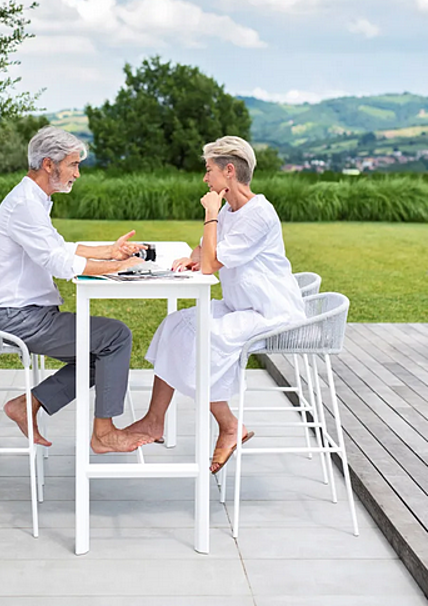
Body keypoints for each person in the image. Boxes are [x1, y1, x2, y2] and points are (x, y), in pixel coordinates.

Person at [126, 135, 305, 473]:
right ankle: (154, 420)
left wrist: (209, 214)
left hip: (270, 312)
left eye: (209, 171)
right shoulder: (230, 210)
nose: (205, 179)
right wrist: (190, 257)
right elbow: (204, 251)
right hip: (240, 305)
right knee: (175, 325)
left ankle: (229, 426)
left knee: (203, 337)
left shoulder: (258, 214)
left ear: (229, 171)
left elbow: (211, 263)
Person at [0, 125, 155, 454]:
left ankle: (28, 404)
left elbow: (59, 247)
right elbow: (58, 262)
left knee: (103, 352)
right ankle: (103, 434)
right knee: (115, 337)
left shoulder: (32, 200)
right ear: (50, 164)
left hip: (25, 312)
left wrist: (109, 252)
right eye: (74, 165)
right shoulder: (26, 205)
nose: (77, 173)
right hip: (20, 317)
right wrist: (118, 269)